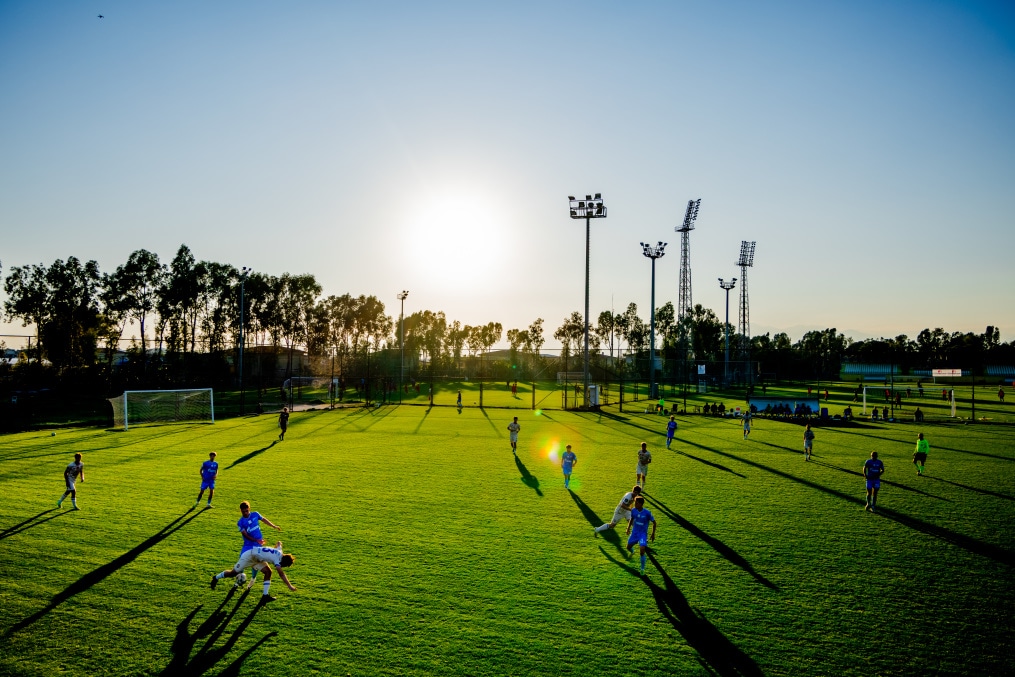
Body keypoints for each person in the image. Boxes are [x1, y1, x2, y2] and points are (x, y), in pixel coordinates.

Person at [211, 540, 297, 603]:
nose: (282, 566)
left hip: (258, 559)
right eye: (284, 565)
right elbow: (281, 574)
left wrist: (274, 549)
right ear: (283, 562)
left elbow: (279, 543)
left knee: (268, 572)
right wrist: (289, 585)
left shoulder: (280, 551)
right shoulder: (277, 560)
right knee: (233, 573)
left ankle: (265, 596)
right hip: (249, 556)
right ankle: (216, 577)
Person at [237, 501, 282, 587]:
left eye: (247, 511)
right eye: (243, 511)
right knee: (242, 559)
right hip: (248, 545)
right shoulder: (240, 522)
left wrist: (273, 526)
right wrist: (255, 540)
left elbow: (264, 519)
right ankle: (239, 579)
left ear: (249, 509)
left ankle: (253, 579)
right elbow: (245, 534)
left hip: (257, 545)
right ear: (241, 511)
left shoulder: (255, 514)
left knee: (256, 563)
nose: (245, 513)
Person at [626, 496, 657, 575]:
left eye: (636, 503)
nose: (634, 504)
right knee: (628, 547)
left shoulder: (647, 513)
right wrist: (628, 528)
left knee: (642, 550)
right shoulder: (633, 510)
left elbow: (654, 523)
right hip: (634, 533)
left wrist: (653, 534)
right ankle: (632, 551)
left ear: (640, 504)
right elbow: (631, 519)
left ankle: (642, 568)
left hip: (642, 534)